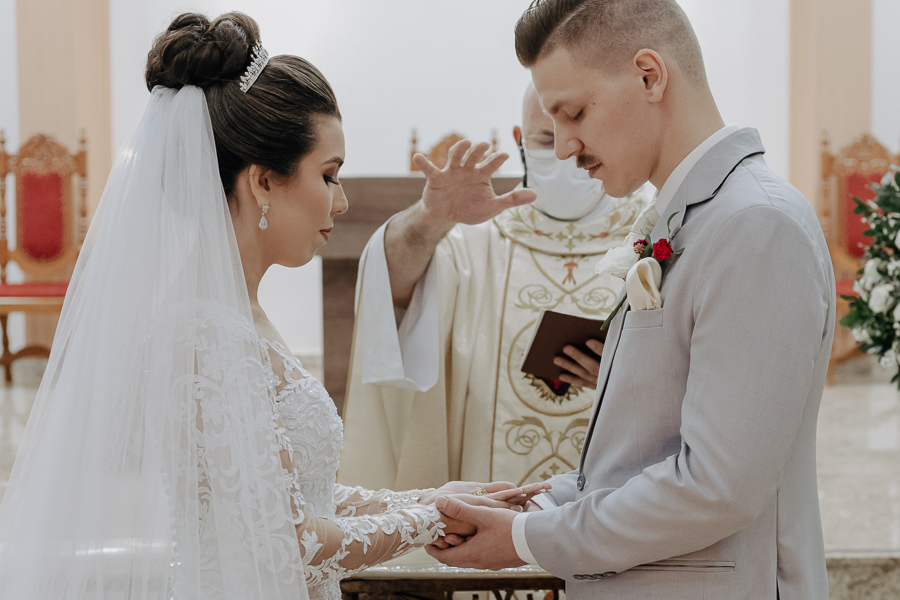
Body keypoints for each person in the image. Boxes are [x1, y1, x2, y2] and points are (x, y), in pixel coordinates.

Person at [0, 12, 546, 600]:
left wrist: (430, 497)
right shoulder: (209, 329)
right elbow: (294, 538)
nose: (341, 202)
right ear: (262, 181)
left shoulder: (234, 312)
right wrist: (430, 520)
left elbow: (294, 493)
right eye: (329, 175)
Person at [426, 1, 835, 599]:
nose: (564, 148)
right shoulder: (690, 219)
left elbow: (718, 487)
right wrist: (534, 503)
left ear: (650, 75)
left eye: (573, 113)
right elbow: (644, 453)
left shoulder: (756, 226)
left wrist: (526, 539)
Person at [339, 85, 652, 492]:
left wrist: (622, 377)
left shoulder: (656, 237)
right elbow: (391, 293)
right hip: (493, 530)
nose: (561, 152)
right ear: (519, 141)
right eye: (544, 139)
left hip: (615, 519)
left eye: (578, 134)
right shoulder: (473, 245)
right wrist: (429, 219)